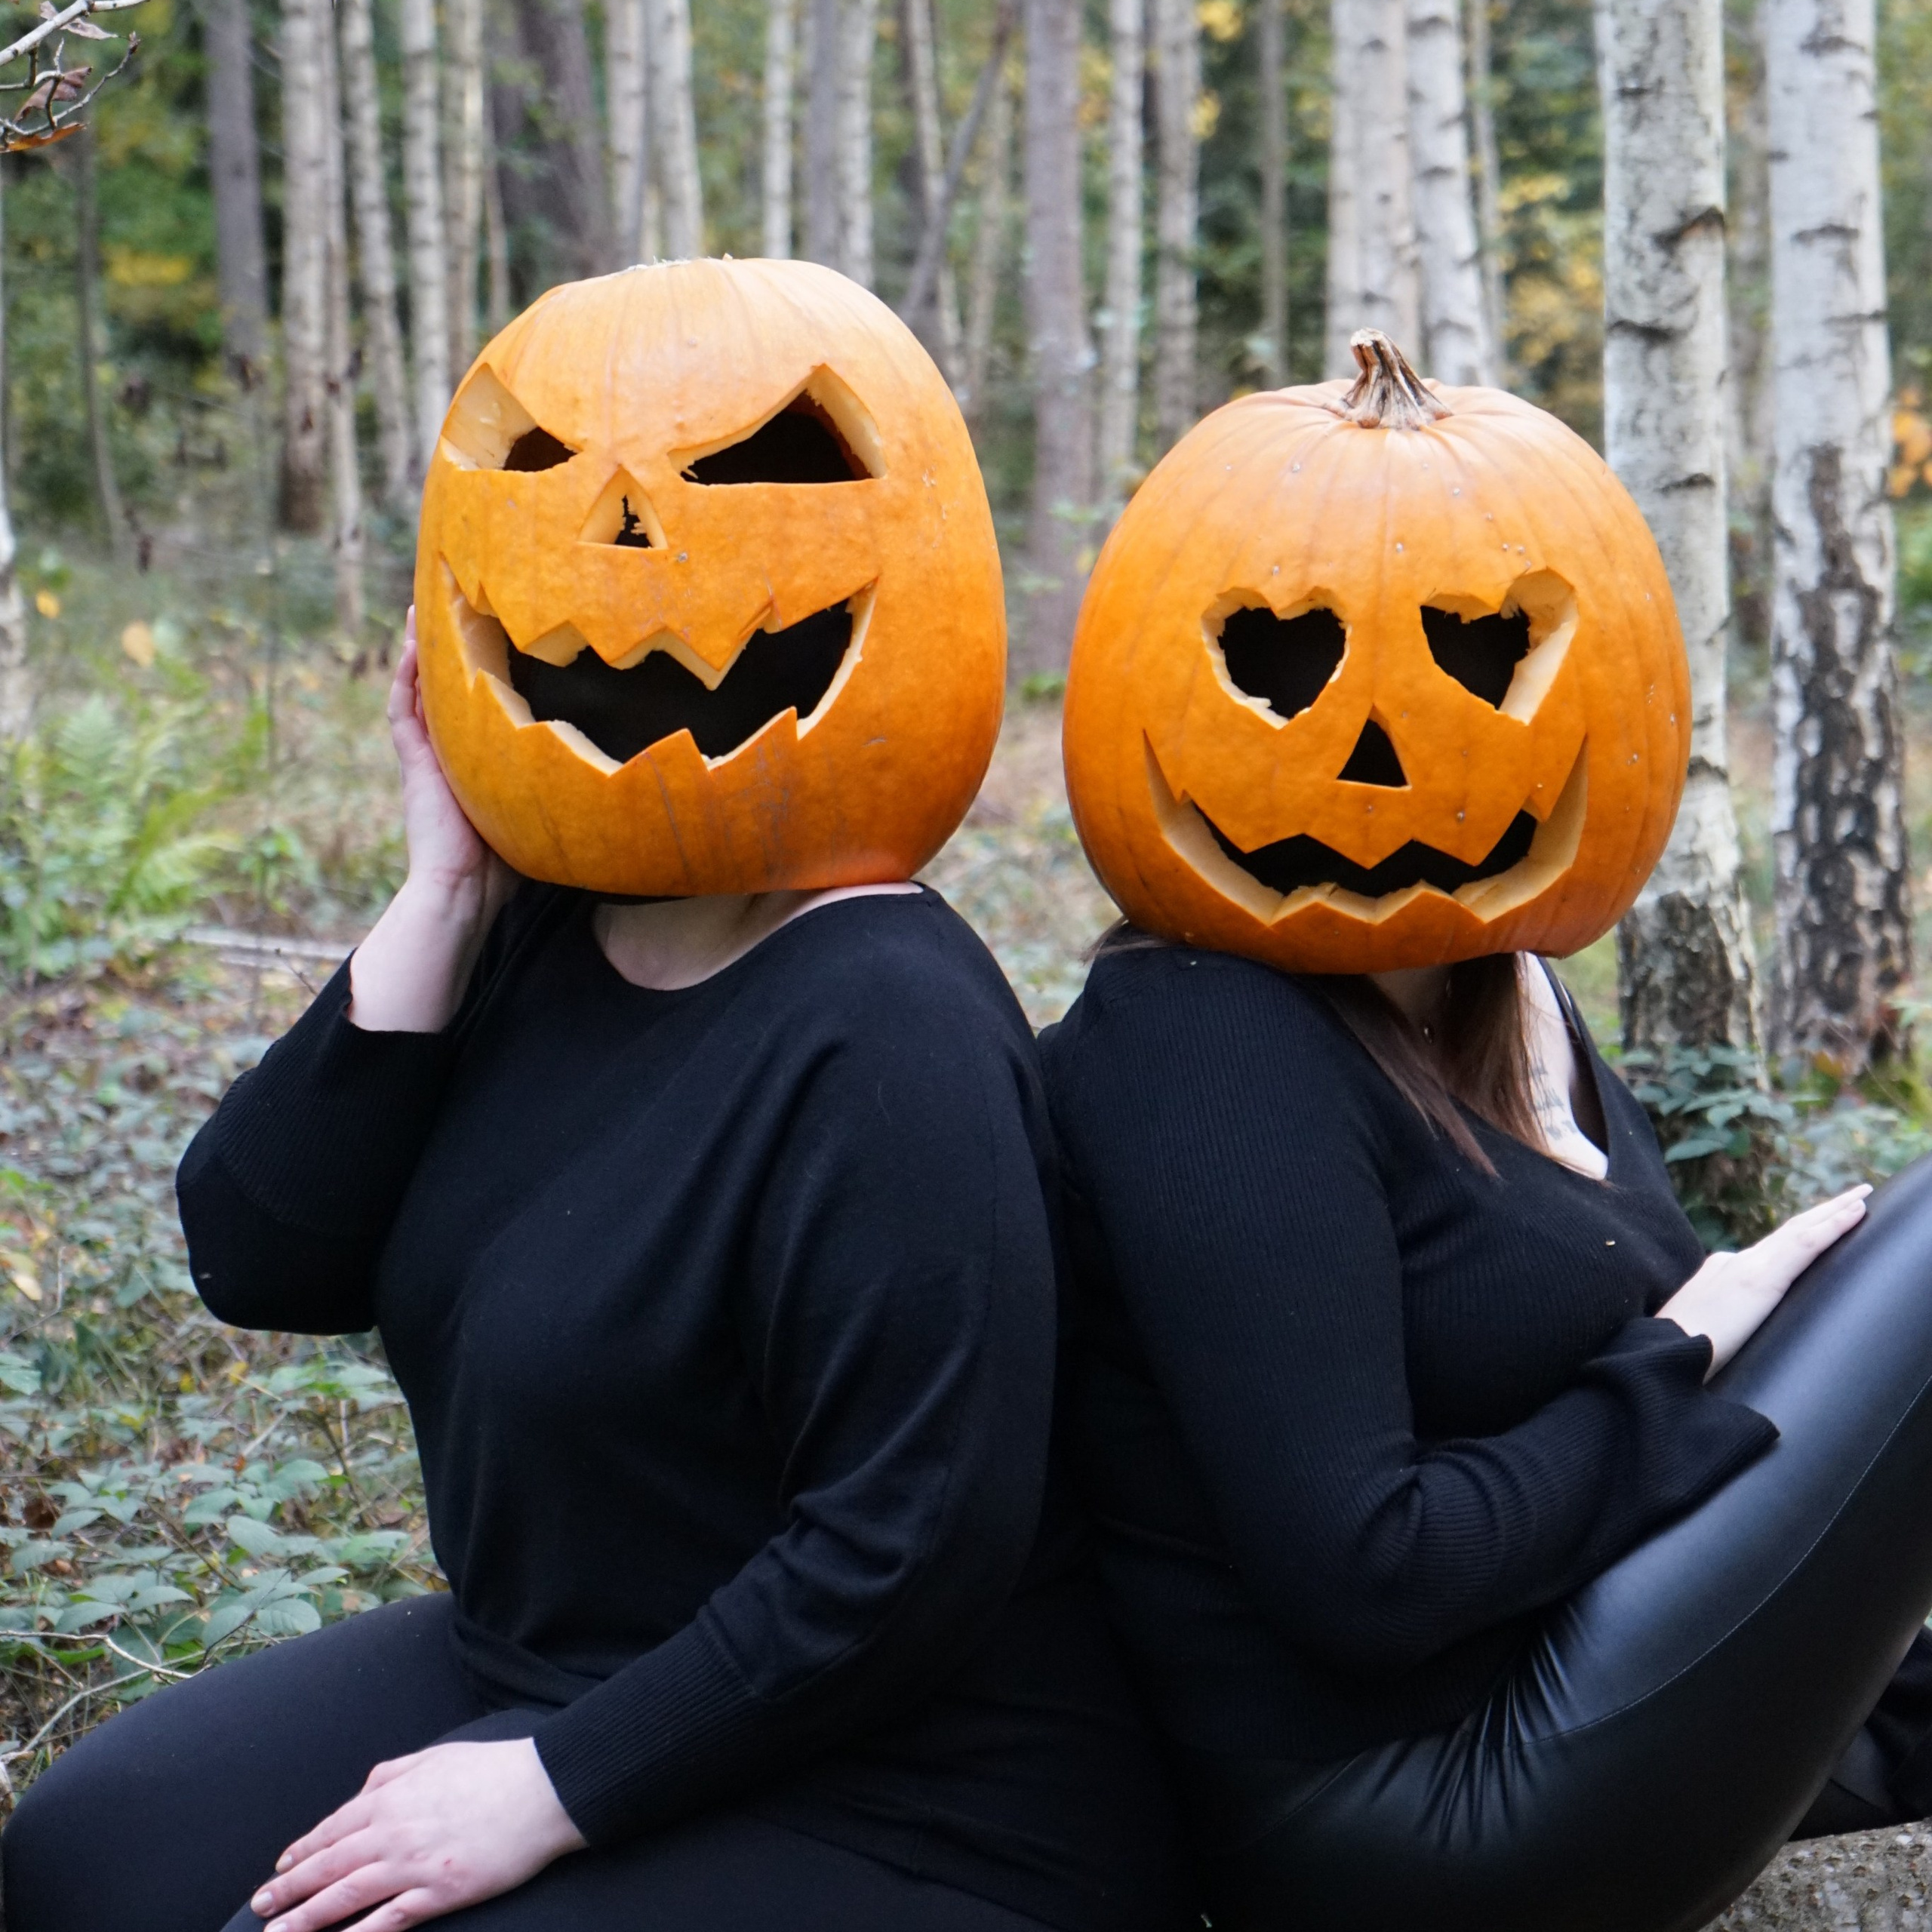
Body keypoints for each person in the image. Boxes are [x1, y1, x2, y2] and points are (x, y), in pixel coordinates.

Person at [0, 626, 1186, 1932]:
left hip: (914, 1795)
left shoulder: (896, 1029)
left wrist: (550, 1788)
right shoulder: (547, 923)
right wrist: (445, 890)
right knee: (84, 1859)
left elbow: (909, 1554)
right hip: (544, 1666)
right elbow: (259, 1255)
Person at [1043, 332, 1932, 1932]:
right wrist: (1683, 1345)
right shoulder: (1199, 1033)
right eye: (1283, 665)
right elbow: (1367, 1567)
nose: (1384, 745)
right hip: (1395, 1811)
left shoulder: (1492, 980)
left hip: (1557, 1678)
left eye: (1477, 659)